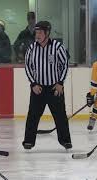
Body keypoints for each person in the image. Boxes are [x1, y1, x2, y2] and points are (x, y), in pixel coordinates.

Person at [22, 21, 72, 150]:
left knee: (60, 116)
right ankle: (28, 141)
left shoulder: (57, 47)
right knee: (33, 115)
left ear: (47, 33)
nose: (37, 35)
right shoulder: (32, 48)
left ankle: (65, 140)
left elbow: (65, 65)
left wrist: (60, 83)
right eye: (36, 32)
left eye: (40, 32)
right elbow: (28, 66)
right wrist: (33, 84)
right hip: (38, 88)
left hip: (54, 88)